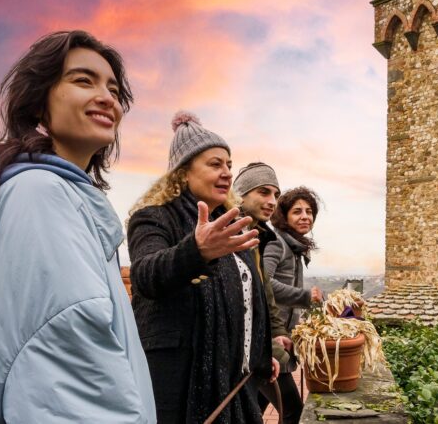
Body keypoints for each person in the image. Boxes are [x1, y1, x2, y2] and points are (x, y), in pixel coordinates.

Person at [0, 30, 155, 422]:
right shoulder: (42, 195)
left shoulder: (43, 193)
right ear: (39, 104)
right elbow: (67, 367)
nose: (108, 98)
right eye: (83, 80)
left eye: (114, 89)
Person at [127, 113, 280, 424]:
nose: (226, 173)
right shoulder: (153, 217)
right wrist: (196, 251)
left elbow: (251, 302)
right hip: (178, 382)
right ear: (183, 173)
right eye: (215, 164)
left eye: (228, 165)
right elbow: (145, 275)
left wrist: (263, 356)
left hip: (234, 379)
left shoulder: (232, 226)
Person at [229, 163, 299, 420]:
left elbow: (264, 292)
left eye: (276, 195)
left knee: (253, 411)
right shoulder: (229, 232)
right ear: (241, 193)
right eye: (263, 192)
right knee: (292, 409)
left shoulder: (255, 235)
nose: (272, 201)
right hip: (248, 349)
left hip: (263, 346)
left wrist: (279, 331)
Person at [262, 187, 325, 423]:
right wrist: (305, 296)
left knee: (256, 408)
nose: (305, 216)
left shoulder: (294, 247)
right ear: (284, 216)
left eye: (309, 212)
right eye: (297, 211)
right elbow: (263, 283)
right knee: (292, 411)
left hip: (279, 339)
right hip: (268, 341)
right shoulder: (277, 243)